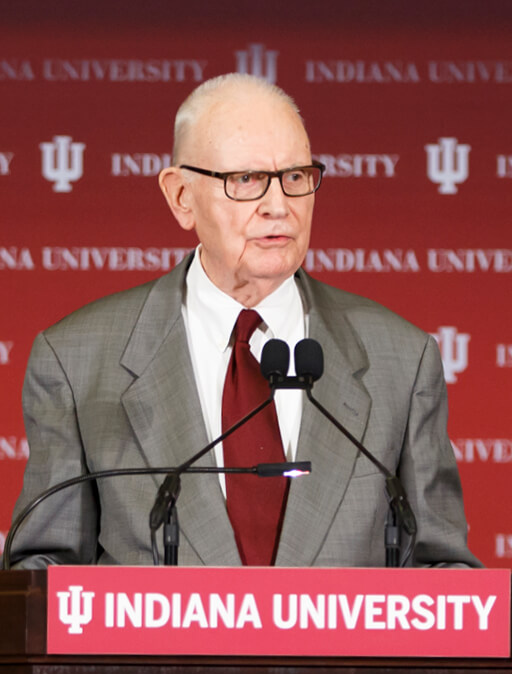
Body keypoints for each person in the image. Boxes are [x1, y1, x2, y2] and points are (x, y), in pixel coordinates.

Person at [8, 73, 480, 569]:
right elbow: (44, 580)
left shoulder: (402, 362)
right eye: (247, 180)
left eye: (295, 177)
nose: (279, 207)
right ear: (181, 197)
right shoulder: (77, 362)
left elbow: (444, 575)